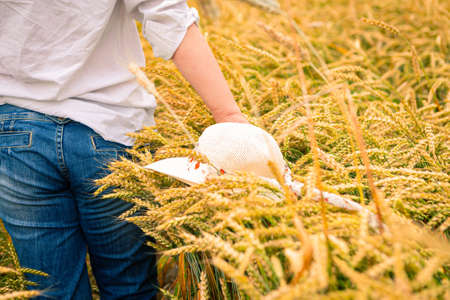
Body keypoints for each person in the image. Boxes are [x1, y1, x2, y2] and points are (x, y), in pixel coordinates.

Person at [0, 1, 247, 299]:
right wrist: (229, 116)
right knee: (129, 287)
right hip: (109, 129)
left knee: (51, 291)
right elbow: (170, 18)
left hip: (14, 131)